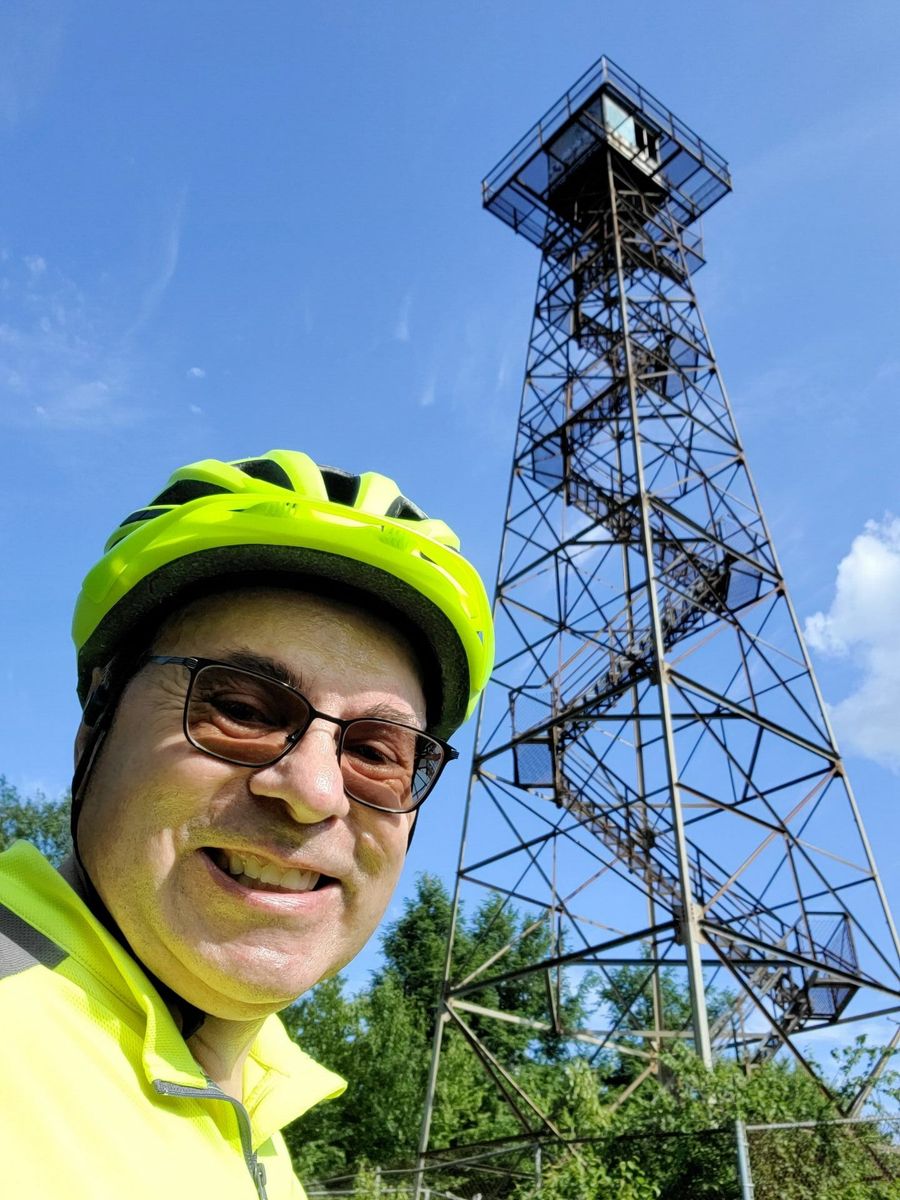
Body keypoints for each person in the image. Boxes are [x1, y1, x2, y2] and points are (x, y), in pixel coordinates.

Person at [0, 450, 493, 1199]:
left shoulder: (260, 1118)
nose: (315, 792)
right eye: (241, 710)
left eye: (375, 753)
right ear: (96, 721)